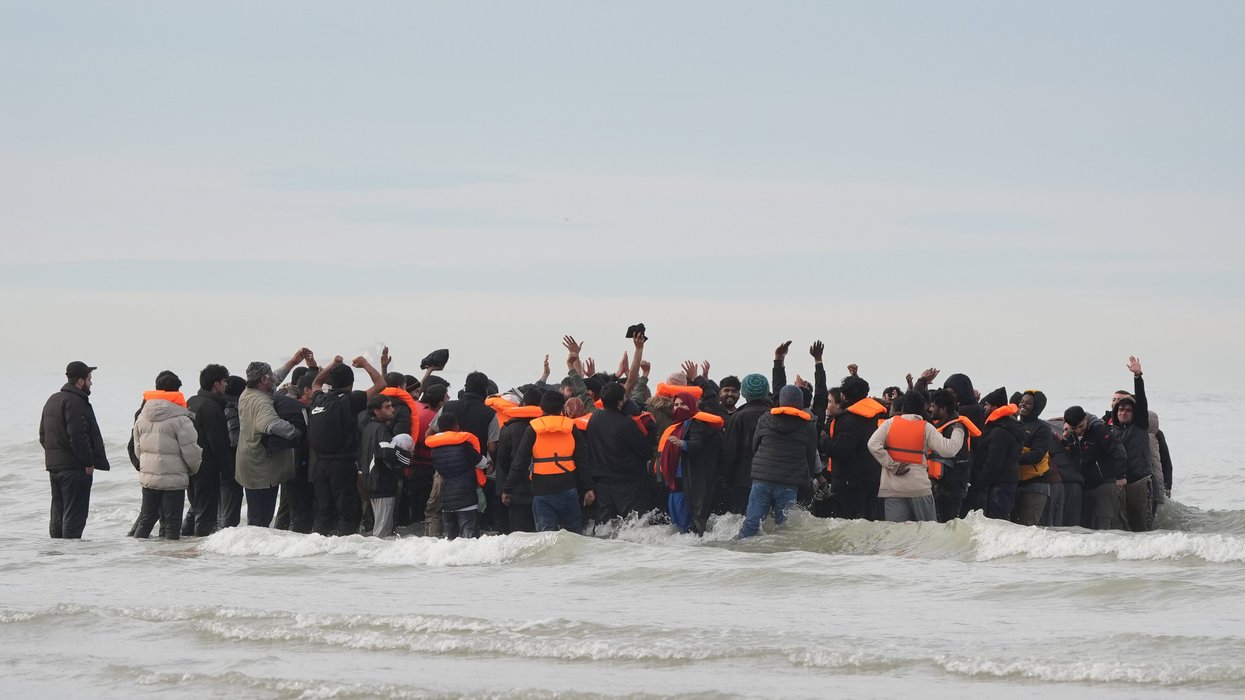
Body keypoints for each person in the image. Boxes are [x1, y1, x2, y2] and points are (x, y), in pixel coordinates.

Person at [309, 355, 384, 536]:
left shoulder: (319, 399)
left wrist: (333, 364)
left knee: (323, 511)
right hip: (341, 464)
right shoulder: (351, 400)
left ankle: (315, 548)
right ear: (350, 384)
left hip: (318, 466)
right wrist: (365, 364)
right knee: (347, 511)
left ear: (331, 383)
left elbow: (316, 382)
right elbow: (381, 384)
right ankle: (344, 550)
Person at [867, 391, 965, 522]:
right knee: (926, 531)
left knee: (897, 532)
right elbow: (949, 450)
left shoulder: (888, 424)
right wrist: (959, 430)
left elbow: (872, 444)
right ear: (923, 409)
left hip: (892, 490)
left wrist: (893, 465)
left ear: (902, 408)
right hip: (919, 489)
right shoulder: (926, 428)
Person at [736, 385, 819, 539]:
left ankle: (736, 549)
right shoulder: (808, 426)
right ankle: (783, 553)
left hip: (762, 478)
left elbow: (755, 445)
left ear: (780, 401)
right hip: (789, 482)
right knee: (785, 527)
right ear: (801, 404)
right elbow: (810, 456)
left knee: (752, 523)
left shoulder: (765, 419)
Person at [40, 361, 110, 539]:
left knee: (58, 515)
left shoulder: (52, 400)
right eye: (89, 379)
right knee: (74, 517)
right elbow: (78, 437)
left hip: (55, 468)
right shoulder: (76, 402)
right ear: (80, 381)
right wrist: (88, 463)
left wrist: (58, 456)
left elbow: (43, 436)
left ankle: (58, 553)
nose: (91, 383)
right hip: (75, 469)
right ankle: (72, 554)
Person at [510, 391, 597, 533]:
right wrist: (588, 487)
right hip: (567, 488)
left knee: (546, 535)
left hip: (542, 490)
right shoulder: (571, 427)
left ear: (542, 408)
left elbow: (520, 462)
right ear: (562, 408)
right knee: (574, 534)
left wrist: (508, 488)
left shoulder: (533, 429)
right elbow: (582, 460)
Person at [130, 372, 202, 539]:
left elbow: (137, 448)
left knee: (146, 520)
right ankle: (170, 554)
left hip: (149, 477)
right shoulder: (181, 419)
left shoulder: (142, 416)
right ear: (176, 392)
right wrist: (192, 470)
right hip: (173, 480)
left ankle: (136, 552)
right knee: (172, 523)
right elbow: (191, 451)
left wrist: (146, 467)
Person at [237, 360, 304, 527]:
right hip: (261, 470)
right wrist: (298, 431)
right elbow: (271, 424)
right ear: (263, 379)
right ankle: (254, 543)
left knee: (256, 518)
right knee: (260, 521)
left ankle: (248, 543)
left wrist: (293, 362)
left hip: (248, 464)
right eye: (270, 377)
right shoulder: (261, 401)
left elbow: (275, 378)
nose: (274, 379)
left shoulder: (247, 392)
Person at [584, 381, 656, 525]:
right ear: (620, 401)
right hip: (628, 484)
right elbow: (646, 451)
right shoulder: (626, 424)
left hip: (603, 485)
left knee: (606, 527)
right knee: (635, 526)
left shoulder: (594, 418)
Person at [820, 375, 888, 520]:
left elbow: (841, 450)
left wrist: (823, 439)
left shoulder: (847, 420)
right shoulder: (874, 416)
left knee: (846, 523)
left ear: (843, 396)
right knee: (868, 521)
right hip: (871, 478)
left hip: (849, 483)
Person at [657, 392, 724, 534]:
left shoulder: (696, 423)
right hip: (675, 480)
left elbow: (697, 444)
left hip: (690, 479)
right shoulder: (676, 426)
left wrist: (682, 443)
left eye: (683, 404)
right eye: (676, 405)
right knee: (676, 521)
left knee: (688, 521)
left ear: (692, 405)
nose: (679, 407)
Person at [1110, 356, 1156, 532]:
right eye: (1121, 410)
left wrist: (1138, 376)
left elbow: (1142, 402)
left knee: (1141, 524)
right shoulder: (1112, 431)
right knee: (1121, 524)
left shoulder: (1140, 426)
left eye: (1128, 410)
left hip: (1139, 480)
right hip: (1120, 482)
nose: (1124, 412)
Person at [1062, 405, 1126, 530]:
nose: (1078, 430)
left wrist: (1121, 475)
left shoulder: (1098, 429)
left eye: (1081, 426)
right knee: (1086, 525)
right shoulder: (1071, 434)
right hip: (1086, 485)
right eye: (1074, 428)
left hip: (1105, 483)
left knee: (1103, 522)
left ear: (1086, 418)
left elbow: (1118, 450)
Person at [184, 364, 230, 536]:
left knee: (196, 507)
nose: (226, 385)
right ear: (216, 384)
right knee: (206, 514)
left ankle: (184, 542)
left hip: (190, 463)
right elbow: (218, 443)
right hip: (206, 467)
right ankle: (202, 546)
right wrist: (228, 471)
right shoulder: (211, 407)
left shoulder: (191, 402)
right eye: (224, 381)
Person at [426, 414, 487, 540]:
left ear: (439, 428)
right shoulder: (464, 446)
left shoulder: (435, 450)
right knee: (469, 539)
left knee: (450, 539)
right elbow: (482, 463)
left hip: (446, 500)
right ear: (456, 426)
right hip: (466, 499)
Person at [966, 387, 1023, 520]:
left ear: (995, 407)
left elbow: (993, 463)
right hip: (1005, 482)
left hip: (1000, 485)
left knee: (997, 521)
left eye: (987, 405)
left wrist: (978, 485)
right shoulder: (1007, 425)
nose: (984, 407)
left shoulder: (999, 431)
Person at [720, 373, 772, 515]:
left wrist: (726, 479)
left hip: (742, 481)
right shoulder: (775, 415)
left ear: (743, 393)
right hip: (771, 479)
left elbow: (729, 452)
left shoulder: (738, 417)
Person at [926, 389, 980, 522]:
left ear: (943, 409)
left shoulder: (957, 428)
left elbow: (952, 450)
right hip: (940, 485)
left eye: (933, 406)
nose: (930, 409)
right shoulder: (940, 425)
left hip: (952, 487)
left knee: (949, 522)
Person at [496, 387, 544, 533]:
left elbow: (502, 459)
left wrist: (509, 480)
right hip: (542, 487)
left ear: (523, 404)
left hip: (516, 488)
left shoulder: (508, 428)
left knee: (518, 535)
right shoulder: (545, 427)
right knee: (541, 534)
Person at [359, 395, 400, 537]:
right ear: (376, 411)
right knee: (382, 533)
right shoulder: (381, 429)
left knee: (379, 529)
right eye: (387, 407)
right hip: (382, 482)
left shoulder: (369, 427)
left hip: (371, 481)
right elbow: (386, 452)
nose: (392, 409)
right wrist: (406, 456)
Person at [1013, 390, 1053, 526]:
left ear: (1036, 407)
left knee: (1028, 527)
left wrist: (1013, 458)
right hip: (1017, 483)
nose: (1023, 405)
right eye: (1022, 401)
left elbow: (1037, 455)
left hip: (1036, 485)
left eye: (1028, 403)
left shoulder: (1043, 428)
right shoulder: (1016, 424)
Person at [219, 375, 247, 527]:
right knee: (229, 511)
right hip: (232, 464)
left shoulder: (219, 404)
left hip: (219, 463)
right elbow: (235, 439)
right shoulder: (232, 408)